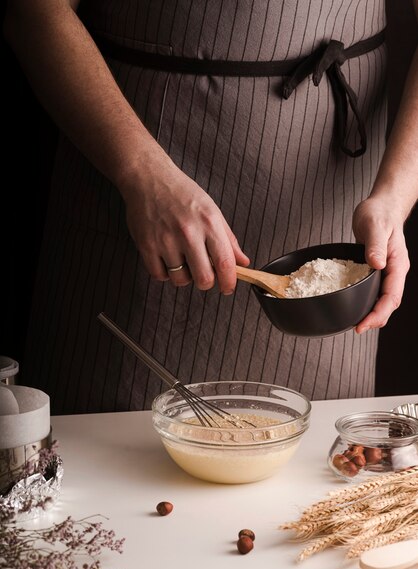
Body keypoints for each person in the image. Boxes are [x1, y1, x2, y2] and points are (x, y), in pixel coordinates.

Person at [4, 0, 417, 414]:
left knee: (327, 456)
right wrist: (142, 175)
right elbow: (37, 12)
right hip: (142, 183)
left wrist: (394, 199)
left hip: (337, 214)